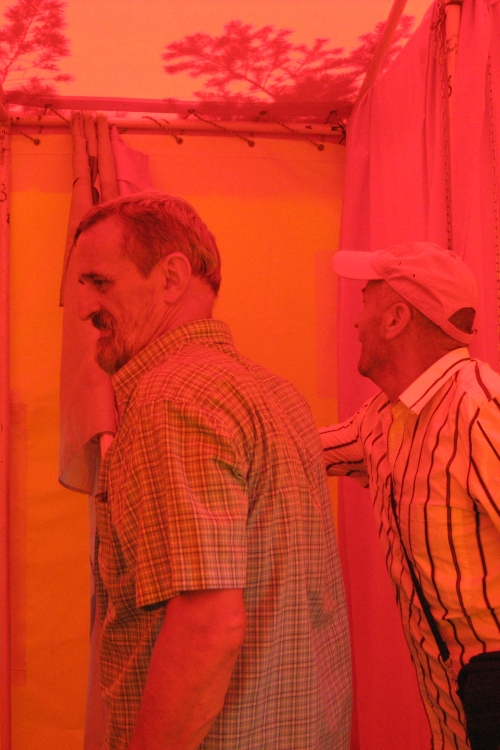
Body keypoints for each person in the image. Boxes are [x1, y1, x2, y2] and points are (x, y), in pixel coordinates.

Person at [73, 192, 351, 750]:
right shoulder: (279, 395)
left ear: (172, 277)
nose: (84, 307)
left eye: (100, 282)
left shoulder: (171, 398)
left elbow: (207, 624)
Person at [320, 241, 500, 750]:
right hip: (455, 720)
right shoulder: (382, 418)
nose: (356, 323)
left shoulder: (479, 408)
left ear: (396, 318)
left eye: (364, 303)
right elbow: (294, 450)